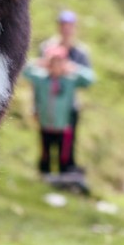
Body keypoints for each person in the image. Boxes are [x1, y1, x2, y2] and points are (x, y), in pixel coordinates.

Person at [23, 43, 94, 176]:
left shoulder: (69, 80)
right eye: (53, 62)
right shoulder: (41, 79)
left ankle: (64, 174)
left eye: (59, 62)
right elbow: (24, 70)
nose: (56, 66)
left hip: (63, 126)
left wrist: (74, 68)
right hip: (45, 125)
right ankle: (45, 174)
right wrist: (39, 63)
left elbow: (89, 80)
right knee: (45, 153)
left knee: (64, 155)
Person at [40, 9, 93, 170]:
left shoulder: (80, 53)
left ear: (74, 28)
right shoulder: (46, 48)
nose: (66, 29)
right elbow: (38, 77)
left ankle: (66, 168)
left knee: (68, 140)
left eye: (69, 26)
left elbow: (87, 80)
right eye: (63, 25)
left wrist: (72, 70)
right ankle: (46, 169)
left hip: (69, 105)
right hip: (48, 103)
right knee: (46, 139)